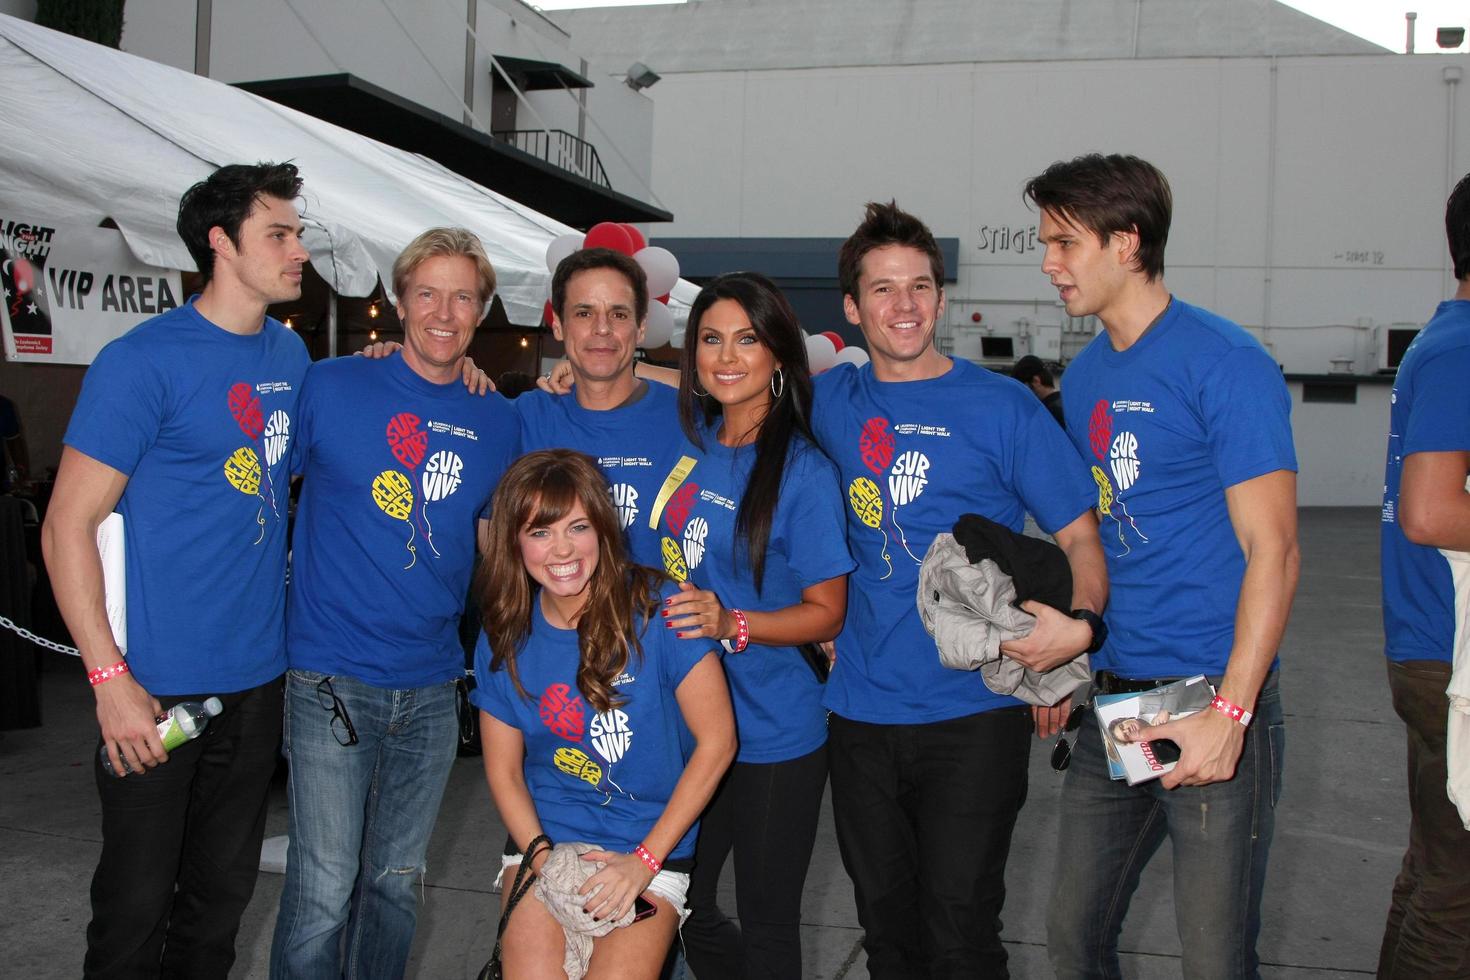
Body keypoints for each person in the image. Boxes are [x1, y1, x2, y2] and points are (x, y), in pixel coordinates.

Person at [815, 201, 1107, 978]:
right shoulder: (827, 405)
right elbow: (721, 397)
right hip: (859, 714)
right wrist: (592, 367)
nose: (903, 306)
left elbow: (1080, 536)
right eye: (881, 289)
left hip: (972, 714)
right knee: (886, 933)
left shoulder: (1001, 406)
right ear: (851, 307)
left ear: (942, 298)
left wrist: (1068, 644)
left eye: (919, 286)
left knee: (961, 934)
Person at [1025, 153, 1299, 980]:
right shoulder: (1088, 374)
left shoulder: (1224, 361)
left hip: (1209, 696)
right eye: (1047, 243)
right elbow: (1100, 538)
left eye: (1065, 243)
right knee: (1073, 939)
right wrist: (1074, 658)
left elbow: (1275, 551)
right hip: (1119, 704)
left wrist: (1232, 714)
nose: (1048, 264)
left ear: (1128, 243)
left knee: (1214, 958)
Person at [42, 162, 311, 977]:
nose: (299, 249)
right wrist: (109, 679)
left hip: (258, 684)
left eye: (298, 232)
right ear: (221, 243)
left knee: (218, 907)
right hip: (153, 691)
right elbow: (65, 528)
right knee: (133, 908)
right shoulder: (142, 361)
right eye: (280, 234)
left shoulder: (290, 357)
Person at [269, 228, 519, 978]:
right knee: (321, 886)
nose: (444, 312)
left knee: (395, 885)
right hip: (329, 681)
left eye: (463, 297)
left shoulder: (497, 418)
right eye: (428, 293)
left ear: (482, 311)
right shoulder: (332, 385)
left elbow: (493, 546)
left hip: (434, 689)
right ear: (400, 300)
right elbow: (255, 489)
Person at [651, 272, 854, 979]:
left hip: (773, 731)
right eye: (711, 338)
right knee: (679, 903)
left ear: (777, 355)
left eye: (747, 339)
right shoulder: (694, 441)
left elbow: (829, 611)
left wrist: (731, 621)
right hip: (686, 726)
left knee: (766, 921)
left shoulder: (802, 473)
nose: (726, 356)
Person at [471, 449, 736, 978]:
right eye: (539, 532)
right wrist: (547, 862)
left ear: (604, 529)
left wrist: (644, 863)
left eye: (578, 527)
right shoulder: (505, 631)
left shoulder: (661, 608)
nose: (562, 550)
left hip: (650, 847)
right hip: (546, 840)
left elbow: (718, 742)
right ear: (514, 542)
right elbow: (502, 770)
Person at [1376, 171, 1470, 980]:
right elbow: (1431, 513)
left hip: (1433, 651)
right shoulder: (1464, 349)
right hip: (1451, 658)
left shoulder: (1443, 342)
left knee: (1433, 865)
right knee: (1460, 891)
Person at [518, 248, 682, 566]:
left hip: (660, 614)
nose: (602, 328)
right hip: (555, 615)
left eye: (619, 314)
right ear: (558, 325)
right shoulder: (526, 417)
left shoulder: (687, 419)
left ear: (642, 327)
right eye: (584, 313)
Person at [1011, 354, 1066, 428]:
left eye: (1022, 388)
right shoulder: (1066, 402)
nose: (1021, 396)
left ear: (1036, 381)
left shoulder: (1045, 413)